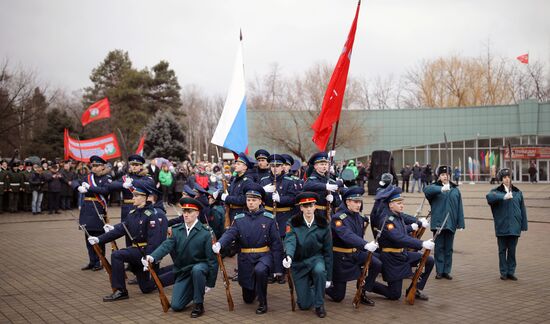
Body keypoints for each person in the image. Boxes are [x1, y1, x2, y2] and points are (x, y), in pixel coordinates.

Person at [87, 182, 168, 302]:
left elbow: (154, 239)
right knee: (146, 288)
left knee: (117, 256)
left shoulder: (151, 215)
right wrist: (100, 239)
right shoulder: (133, 213)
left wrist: (150, 257)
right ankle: (174, 273)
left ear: (144, 198)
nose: (133, 198)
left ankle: (121, 291)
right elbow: (121, 229)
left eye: (136, 196)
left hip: (144, 252)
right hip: (136, 251)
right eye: (133, 195)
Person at [213, 182, 283, 315]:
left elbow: (276, 243)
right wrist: (220, 243)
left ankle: (263, 303)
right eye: (248, 200)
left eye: (254, 200)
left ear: (260, 201)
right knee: (248, 298)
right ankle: (256, 288)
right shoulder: (239, 219)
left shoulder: (269, 218)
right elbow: (230, 233)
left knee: (260, 271)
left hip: (263, 255)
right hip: (245, 259)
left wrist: (278, 269)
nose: (250, 203)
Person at [143, 197, 217, 317]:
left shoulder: (206, 232)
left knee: (197, 270)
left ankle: (199, 304)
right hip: (183, 271)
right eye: (184, 212)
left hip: (200, 268)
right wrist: (152, 257)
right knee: (176, 306)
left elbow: (212, 260)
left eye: (190, 212)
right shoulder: (177, 230)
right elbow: (166, 246)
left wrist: (210, 283)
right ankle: (195, 288)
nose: (186, 215)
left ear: (197, 213)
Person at [371, 186, 435, 301]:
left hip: (403, 255)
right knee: (394, 295)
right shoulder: (386, 220)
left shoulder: (397, 216)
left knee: (428, 260)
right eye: (399, 203)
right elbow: (398, 238)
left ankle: (415, 289)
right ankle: (369, 284)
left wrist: (414, 225)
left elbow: (401, 230)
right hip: (391, 259)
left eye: (402, 203)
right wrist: (422, 243)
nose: (402, 205)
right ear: (391, 205)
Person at [325, 187, 381, 306]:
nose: (358, 205)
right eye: (355, 202)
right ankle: (317, 285)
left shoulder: (358, 217)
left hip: (356, 253)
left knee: (376, 264)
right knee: (338, 296)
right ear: (347, 202)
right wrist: (365, 244)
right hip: (342, 257)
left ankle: (362, 292)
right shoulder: (338, 218)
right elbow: (347, 235)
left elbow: (358, 235)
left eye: (359, 202)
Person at [283, 192, 332, 318]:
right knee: (304, 305)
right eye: (305, 206)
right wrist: (289, 255)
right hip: (299, 263)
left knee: (320, 271)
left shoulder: (323, 223)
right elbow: (290, 241)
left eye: (311, 206)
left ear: (315, 206)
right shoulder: (293, 222)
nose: (309, 209)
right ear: (301, 208)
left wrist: (329, 277)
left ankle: (319, 305)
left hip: (316, 259)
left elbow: (328, 251)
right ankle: (312, 286)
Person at [259, 154, 298, 284]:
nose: (275, 168)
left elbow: (294, 199)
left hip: (283, 216)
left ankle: (281, 272)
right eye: (272, 166)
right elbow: (257, 196)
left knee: (281, 245)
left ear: (282, 167)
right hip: (268, 215)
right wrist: (264, 191)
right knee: (269, 244)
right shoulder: (264, 180)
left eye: (278, 166)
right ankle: (271, 271)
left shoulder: (289, 181)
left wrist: (281, 199)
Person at [423, 165, 465, 279]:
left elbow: (459, 207)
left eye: (446, 175)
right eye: (442, 175)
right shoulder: (434, 188)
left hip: (450, 222)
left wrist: (461, 223)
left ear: (450, 175)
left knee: (449, 248)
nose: (445, 177)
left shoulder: (455, 190)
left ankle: (447, 270)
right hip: (438, 222)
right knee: (439, 247)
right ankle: (439, 271)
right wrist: (441, 189)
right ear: (439, 176)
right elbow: (426, 190)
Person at [486, 168, 528, 280]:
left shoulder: (518, 192)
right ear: (501, 179)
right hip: (502, 225)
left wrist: (523, 225)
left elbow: (522, 209)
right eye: (504, 177)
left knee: (512, 251)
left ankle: (511, 272)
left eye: (509, 177)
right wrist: (503, 196)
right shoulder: (496, 191)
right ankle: (503, 272)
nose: (507, 179)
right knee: (502, 250)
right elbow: (489, 197)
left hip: (515, 226)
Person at [72, 155, 111, 271]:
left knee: (99, 238)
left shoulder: (106, 178)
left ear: (102, 167)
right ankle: (92, 261)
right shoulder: (87, 177)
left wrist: (90, 188)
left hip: (97, 209)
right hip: (86, 210)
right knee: (88, 238)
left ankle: (100, 261)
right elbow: (74, 181)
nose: (94, 168)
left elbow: (105, 190)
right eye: (93, 165)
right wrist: (78, 187)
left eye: (97, 166)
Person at [108, 155, 155, 247]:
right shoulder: (125, 178)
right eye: (132, 164)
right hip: (127, 208)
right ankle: (129, 255)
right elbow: (111, 185)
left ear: (141, 166)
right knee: (127, 232)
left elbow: (150, 184)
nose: (134, 166)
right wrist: (123, 185)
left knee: (141, 231)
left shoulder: (146, 177)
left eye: (137, 165)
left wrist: (133, 182)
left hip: (141, 208)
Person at [302, 152, 342, 220]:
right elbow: (307, 186)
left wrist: (333, 200)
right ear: (315, 166)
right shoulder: (311, 179)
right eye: (321, 164)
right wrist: (325, 186)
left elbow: (338, 202)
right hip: (315, 213)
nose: (324, 166)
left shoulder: (331, 181)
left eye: (326, 164)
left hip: (329, 213)